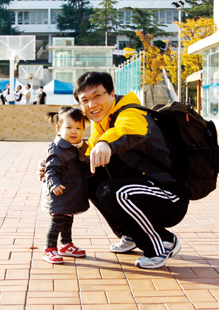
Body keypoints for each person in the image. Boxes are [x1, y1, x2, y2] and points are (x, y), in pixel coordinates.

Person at [38, 72, 190, 269]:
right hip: (144, 190)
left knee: (114, 192)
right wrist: (55, 163)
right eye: (85, 100)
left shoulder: (132, 113)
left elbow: (127, 130)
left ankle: (160, 243)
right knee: (89, 178)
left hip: (169, 195)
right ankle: (132, 234)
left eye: (97, 96)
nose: (92, 104)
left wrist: (106, 143)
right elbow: (86, 153)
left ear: (111, 94)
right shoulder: (101, 121)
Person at [41, 107, 90, 264]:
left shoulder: (78, 146)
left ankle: (66, 245)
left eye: (78, 128)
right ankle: (49, 249)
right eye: (68, 127)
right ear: (59, 129)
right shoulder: (57, 148)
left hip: (69, 193)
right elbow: (51, 169)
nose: (73, 132)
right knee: (57, 223)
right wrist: (54, 184)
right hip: (59, 192)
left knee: (68, 219)